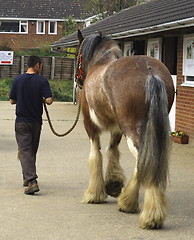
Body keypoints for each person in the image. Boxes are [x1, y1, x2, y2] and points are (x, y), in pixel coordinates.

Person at [10, 55, 53, 195]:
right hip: (36, 122)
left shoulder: (17, 80)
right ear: (37, 65)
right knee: (31, 150)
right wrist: (42, 98)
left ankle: (32, 181)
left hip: (21, 121)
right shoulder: (42, 81)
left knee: (25, 151)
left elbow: (12, 101)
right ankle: (27, 178)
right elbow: (49, 100)